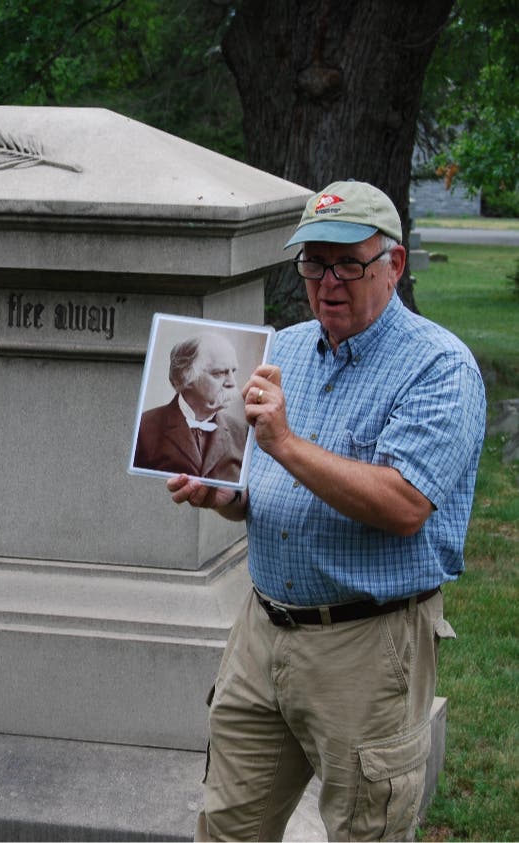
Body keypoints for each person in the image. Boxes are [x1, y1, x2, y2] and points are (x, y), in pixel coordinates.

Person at [166, 180, 486, 842]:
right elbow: (260, 491)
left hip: (365, 648)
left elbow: (404, 504)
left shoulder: (437, 367)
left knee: (364, 828)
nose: (328, 281)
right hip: (261, 633)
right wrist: (220, 492)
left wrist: (284, 442)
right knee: (227, 825)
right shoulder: (281, 351)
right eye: (314, 262)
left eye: (349, 263)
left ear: (393, 265)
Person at [133, 333, 247, 482]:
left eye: (233, 371)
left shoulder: (242, 433)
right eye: (219, 373)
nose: (232, 382)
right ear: (186, 376)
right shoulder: (143, 428)